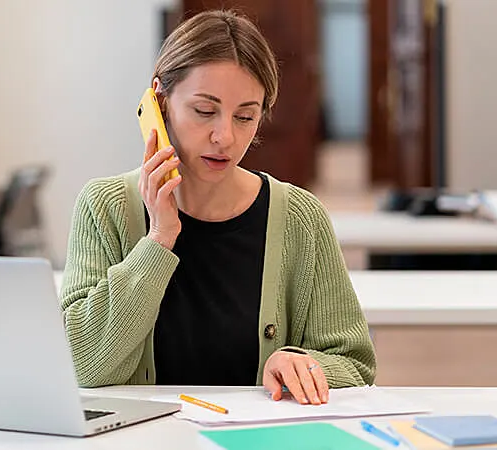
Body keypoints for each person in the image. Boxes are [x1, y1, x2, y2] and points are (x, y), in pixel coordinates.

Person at [59, 10, 376, 405]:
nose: (224, 136)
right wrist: (158, 239)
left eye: (246, 116)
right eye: (204, 111)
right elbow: (79, 367)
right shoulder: (104, 207)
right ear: (159, 101)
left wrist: (302, 363)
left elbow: (354, 363)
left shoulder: (300, 216)